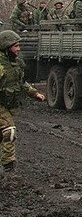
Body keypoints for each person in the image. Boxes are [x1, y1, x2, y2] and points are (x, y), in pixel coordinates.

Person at [0, 30, 46, 173]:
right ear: (6, 47)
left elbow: (20, 83)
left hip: (7, 104)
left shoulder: (15, 63)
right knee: (9, 131)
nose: (18, 49)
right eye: (15, 46)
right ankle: (8, 166)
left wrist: (34, 93)